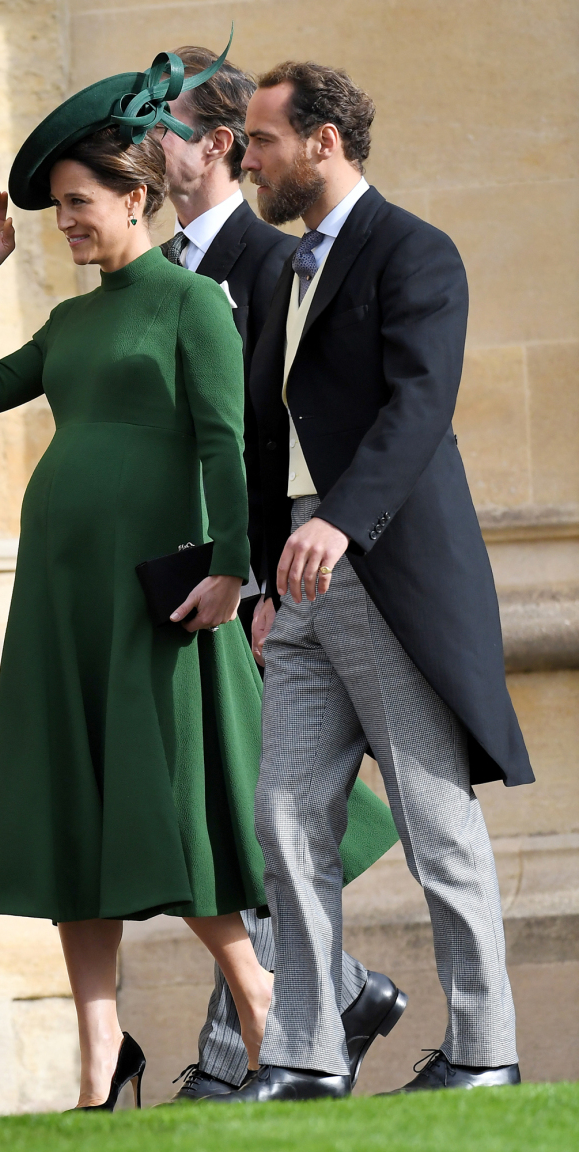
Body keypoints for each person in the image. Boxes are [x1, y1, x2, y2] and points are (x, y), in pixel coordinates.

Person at [0, 43, 398, 1112]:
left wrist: (234, 572)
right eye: (59, 207)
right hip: (59, 594)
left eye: (78, 203)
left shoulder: (192, 304)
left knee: (173, 800)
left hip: (153, 591)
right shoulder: (71, 320)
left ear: (134, 197)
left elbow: (222, 443)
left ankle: (259, 1001)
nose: (66, 223)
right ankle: (102, 1058)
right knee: (71, 799)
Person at [212, 61, 534, 1105]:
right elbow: (268, 434)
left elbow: (420, 407)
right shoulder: (281, 273)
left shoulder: (415, 251)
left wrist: (340, 521)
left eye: (262, 141)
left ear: (324, 142)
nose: (246, 161)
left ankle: (484, 1053)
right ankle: (306, 1054)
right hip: (298, 582)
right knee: (285, 817)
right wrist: (265, 578)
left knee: (435, 823)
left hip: (382, 570)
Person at [158, 47, 407, 1103]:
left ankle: (243, 1054)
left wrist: (257, 578)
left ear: (217, 143)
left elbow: (277, 438)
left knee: (253, 807)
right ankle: (331, 1000)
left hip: (261, 577)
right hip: (187, 574)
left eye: (158, 125)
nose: (140, 146)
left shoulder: (277, 261)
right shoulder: (161, 268)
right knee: (233, 807)